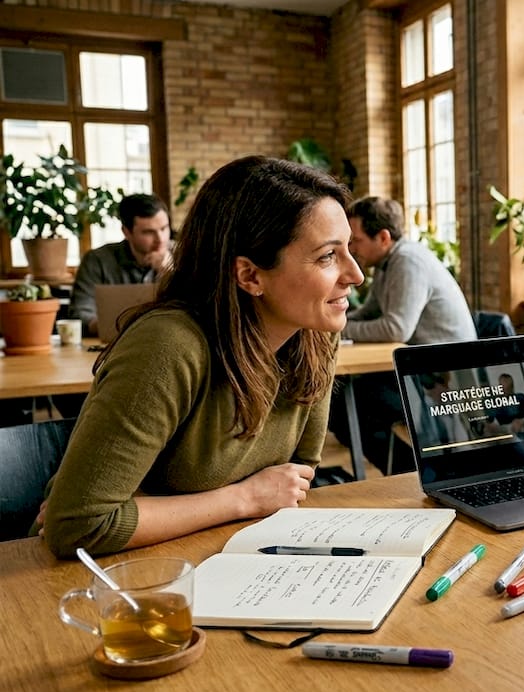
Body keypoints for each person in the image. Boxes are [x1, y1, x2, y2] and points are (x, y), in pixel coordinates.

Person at [37, 156, 363, 558]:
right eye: (328, 256)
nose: (356, 274)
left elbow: (293, 480)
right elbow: (79, 525)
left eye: (348, 249)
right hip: (124, 573)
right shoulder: (168, 346)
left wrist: (148, 507)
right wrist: (243, 498)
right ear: (249, 276)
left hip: (225, 553)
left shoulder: (314, 333)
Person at [330, 196, 477, 474]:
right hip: (419, 366)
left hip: (444, 378)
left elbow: (396, 328)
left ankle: (413, 472)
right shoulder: (387, 263)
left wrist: (339, 327)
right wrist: (333, 321)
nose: (352, 249)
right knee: (344, 401)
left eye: (356, 241)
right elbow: (371, 312)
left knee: (346, 404)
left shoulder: (407, 262)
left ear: (383, 237)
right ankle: (412, 472)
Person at [71, 193, 172, 336]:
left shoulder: (182, 256)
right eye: (148, 232)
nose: (160, 239)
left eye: (164, 228)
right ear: (126, 232)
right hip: (114, 343)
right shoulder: (98, 260)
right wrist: (111, 327)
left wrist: (170, 273)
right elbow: (79, 313)